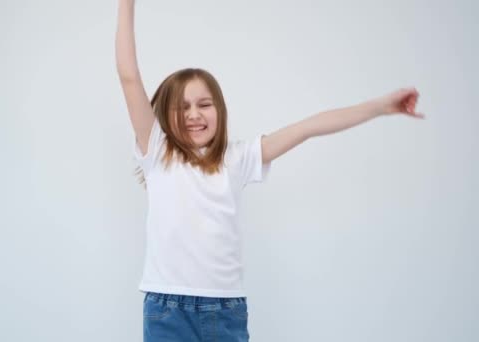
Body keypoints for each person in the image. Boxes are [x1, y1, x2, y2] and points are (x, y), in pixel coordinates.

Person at [115, 1, 424, 341]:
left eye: (204, 104)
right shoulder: (158, 152)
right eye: (182, 107)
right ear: (167, 116)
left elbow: (310, 127)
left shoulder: (239, 158)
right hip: (167, 310)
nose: (194, 114)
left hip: (225, 310)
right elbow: (129, 77)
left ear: (220, 109)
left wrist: (381, 107)